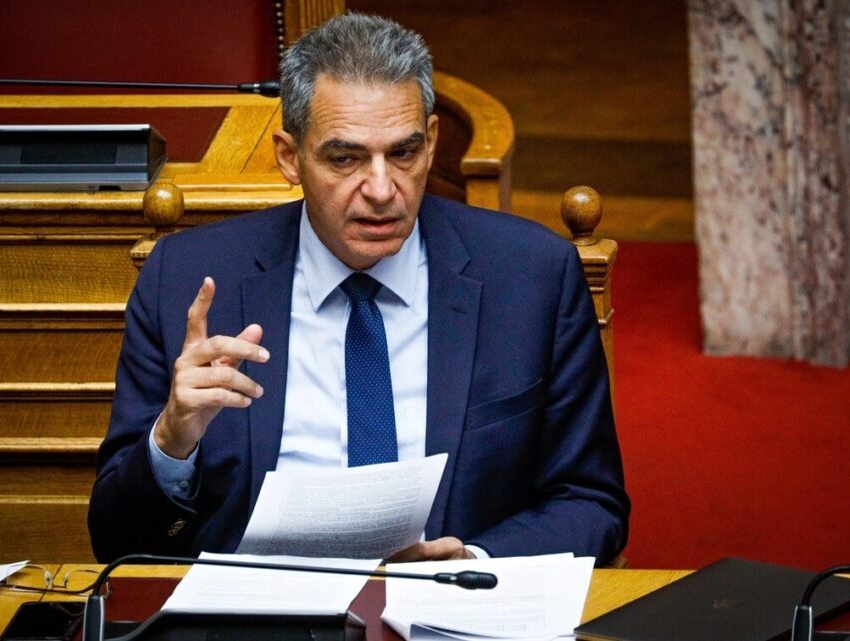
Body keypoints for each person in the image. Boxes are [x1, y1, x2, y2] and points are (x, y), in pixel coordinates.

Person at [88, 13, 629, 564]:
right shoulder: (186, 280)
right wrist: (172, 441)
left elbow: (591, 502)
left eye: (402, 153)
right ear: (289, 158)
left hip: (450, 604)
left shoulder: (531, 277)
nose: (381, 189)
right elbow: (114, 541)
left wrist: (474, 563)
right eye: (345, 159)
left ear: (431, 143)